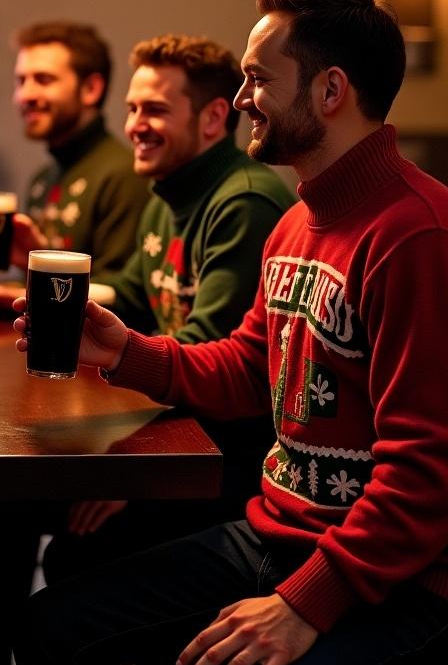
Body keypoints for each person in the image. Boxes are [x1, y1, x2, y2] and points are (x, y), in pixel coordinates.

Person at [12, 0, 448, 665]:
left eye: (259, 79)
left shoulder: (421, 235)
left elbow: (431, 476)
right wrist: (125, 350)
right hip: (275, 534)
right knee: (46, 633)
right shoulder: (298, 222)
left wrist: (302, 604)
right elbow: (250, 369)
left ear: (329, 91)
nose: (245, 98)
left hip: (402, 583)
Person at [41, 34, 294, 585]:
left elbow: (210, 352)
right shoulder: (169, 193)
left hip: (228, 462)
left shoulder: (243, 201)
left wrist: (137, 473)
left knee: (69, 555)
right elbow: (131, 292)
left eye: (154, 109)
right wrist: (51, 290)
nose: (134, 125)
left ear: (211, 119)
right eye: (131, 108)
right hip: (188, 435)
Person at [0, 20, 149, 317]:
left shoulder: (123, 175)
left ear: (90, 88)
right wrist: (24, 270)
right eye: (21, 81)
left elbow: (123, 299)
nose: (25, 95)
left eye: (43, 79)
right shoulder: (43, 179)